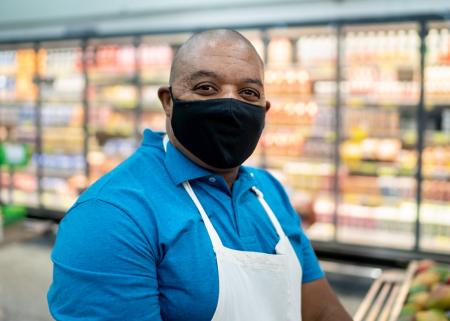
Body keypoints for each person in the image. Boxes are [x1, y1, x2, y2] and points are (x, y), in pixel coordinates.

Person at [47, 29, 352, 321]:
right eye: (206, 88)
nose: (231, 105)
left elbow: (321, 312)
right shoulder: (110, 215)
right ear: (168, 102)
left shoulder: (270, 192)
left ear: (264, 110)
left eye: (249, 92)